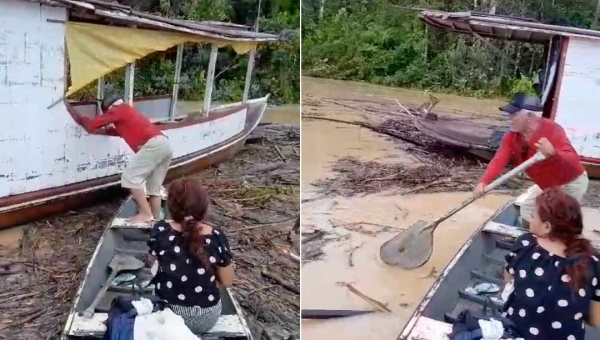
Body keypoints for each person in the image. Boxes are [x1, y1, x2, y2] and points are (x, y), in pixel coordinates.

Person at [473, 93, 588, 229]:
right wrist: (483, 182)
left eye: (514, 114)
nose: (510, 118)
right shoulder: (511, 137)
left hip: (571, 182)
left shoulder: (552, 130)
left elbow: (572, 159)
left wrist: (554, 154)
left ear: (530, 116)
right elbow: (498, 161)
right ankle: (530, 240)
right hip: (548, 184)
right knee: (527, 210)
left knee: (559, 220)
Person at [502, 187, 600, 340]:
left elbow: (508, 282)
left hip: (516, 333)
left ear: (547, 227)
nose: (531, 219)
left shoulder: (525, 245)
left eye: (533, 216)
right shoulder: (593, 262)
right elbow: (596, 320)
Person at [147, 177, 234, 334]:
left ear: (171, 207)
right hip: (206, 318)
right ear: (204, 206)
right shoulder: (216, 235)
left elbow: (152, 261)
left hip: (167, 315)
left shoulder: (160, 230)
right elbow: (227, 281)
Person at [67, 96, 173, 223]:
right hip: (165, 145)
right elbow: (117, 131)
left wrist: (75, 114)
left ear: (109, 109)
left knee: (130, 177)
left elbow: (91, 125)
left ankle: (146, 213)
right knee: (154, 187)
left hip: (153, 145)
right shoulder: (128, 112)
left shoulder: (118, 110)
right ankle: (155, 220)